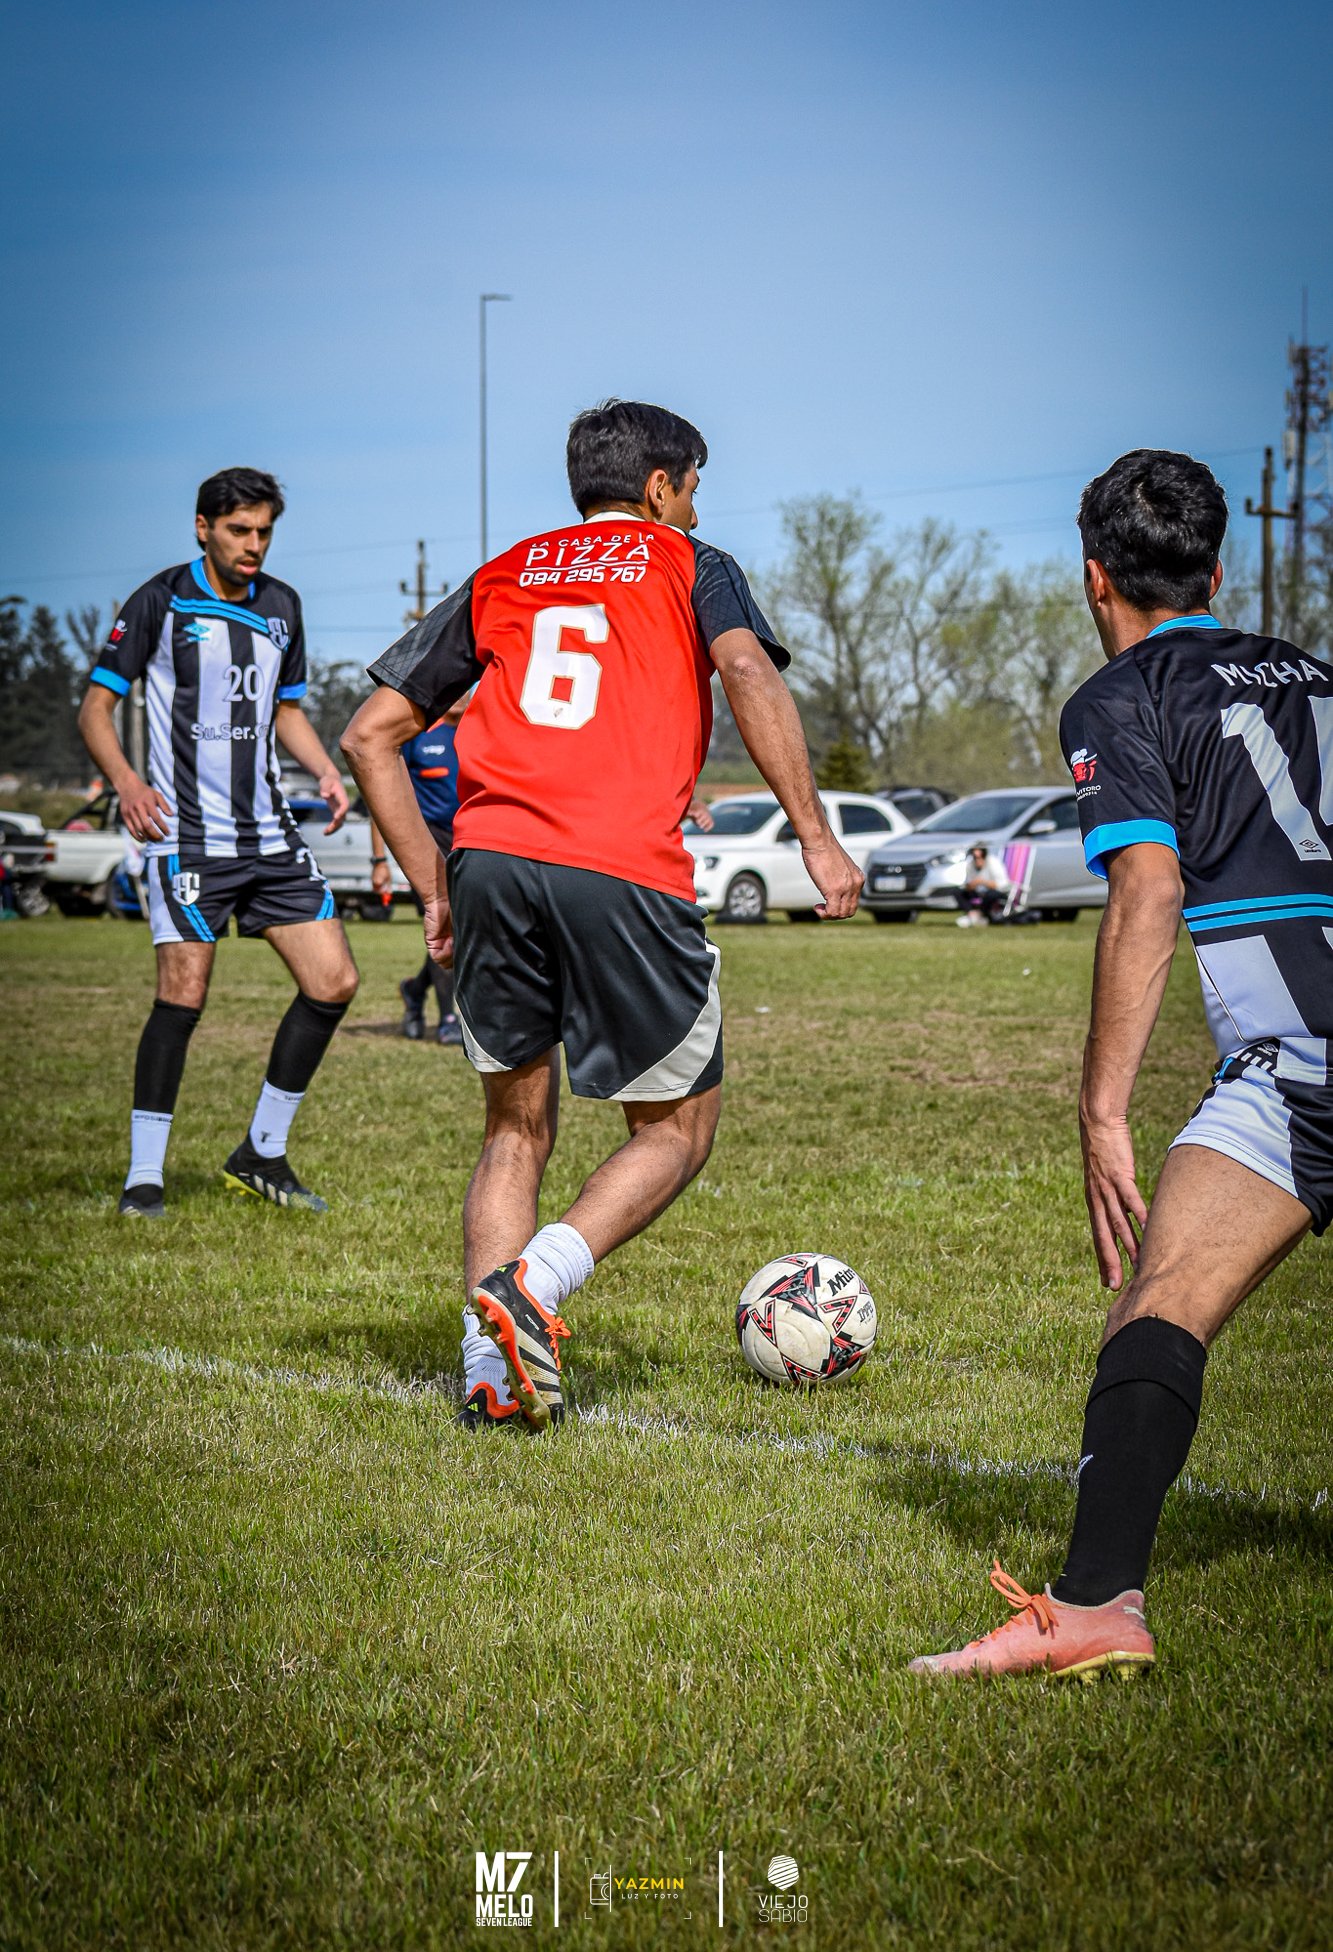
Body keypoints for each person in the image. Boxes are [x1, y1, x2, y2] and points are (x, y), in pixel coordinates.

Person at [342, 399, 863, 1432]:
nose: (696, 506)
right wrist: (814, 834)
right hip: (618, 862)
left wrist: (435, 888)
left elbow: (369, 735)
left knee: (513, 1128)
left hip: (490, 864)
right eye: (694, 487)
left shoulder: (506, 570)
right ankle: (532, 1283)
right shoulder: (690, 561)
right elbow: (746, 668)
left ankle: (489, 1372)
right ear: (661, 488)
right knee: (677, 1128)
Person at [910, 447, 1332, 1680]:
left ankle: (1098, 1605)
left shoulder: (1122, 693)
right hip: (1286, 1065)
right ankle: (1092, 1600)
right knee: (1156, 1297)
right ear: (1218, 569)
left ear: (1094, 576)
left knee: (1160, 1302)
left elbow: (1147, 888)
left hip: (1294, 1058)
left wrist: (1101, 1110)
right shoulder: (1316, 675)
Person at [78, 467, 359, 1220]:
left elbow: (286, 711)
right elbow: (96, 709)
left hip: (268, 835)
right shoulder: (160, 600)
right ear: (203, 528)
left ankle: (261, 1153)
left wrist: (326, 771)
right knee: (184, 993)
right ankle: (144, 1178)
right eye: (239, 530)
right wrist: (127, 784)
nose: (253, 544)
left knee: (333, 981)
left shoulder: (282, 605)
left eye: (264, 531)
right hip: (188, 837)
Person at [369, 696, 467, 1045]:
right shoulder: (417, 734)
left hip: (470, 842)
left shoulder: (480, 730)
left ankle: (414, 990)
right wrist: (379, 861)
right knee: (447, 924)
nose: (465, 693)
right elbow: (383, 797)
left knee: (466, 931)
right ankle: (448, 1019)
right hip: (427, 845)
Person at [955, 841, 1010, 925]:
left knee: (990, 894)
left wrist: (983, 882)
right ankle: (972, 915)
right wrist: (972, 885)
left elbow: (1002, 885)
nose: (977, 859)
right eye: (975, 857)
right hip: (979, 893)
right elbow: (968, 885)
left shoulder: (993, 863)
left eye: (980, 856)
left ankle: (980, 915)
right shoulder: (970, 865)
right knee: (957, 891)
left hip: (995, 893)